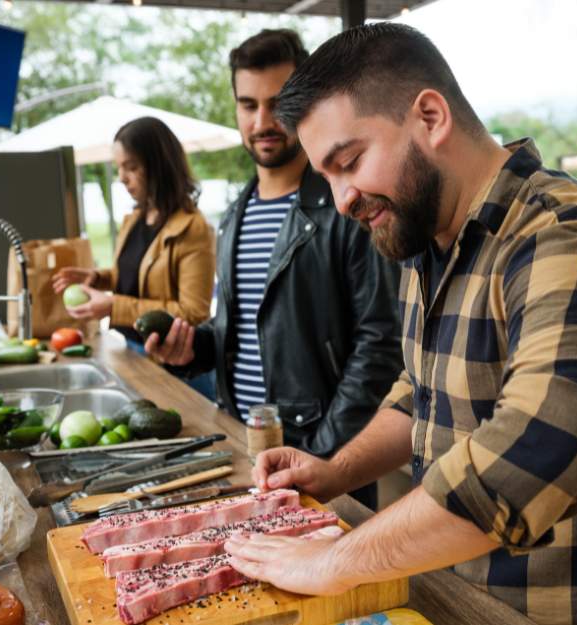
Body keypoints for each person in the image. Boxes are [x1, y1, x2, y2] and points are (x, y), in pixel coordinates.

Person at [221, 24, 577, 625]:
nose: (340, 199)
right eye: (327, 176)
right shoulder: (426, 243)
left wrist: (330, 560)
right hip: (461, 605)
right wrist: (335, 470)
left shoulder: (568, 235)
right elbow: (420, 393)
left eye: (350, 162)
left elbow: (535, 457)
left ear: (431, 117)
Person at [145, 29, 402, 509]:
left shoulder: (347, 206)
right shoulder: (234, 212)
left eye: (278, 101)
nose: (262, 120)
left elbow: (382, 345)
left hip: (324, 457)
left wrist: (322, 455)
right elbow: (244, 329)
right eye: (248, 104)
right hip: (244, 447)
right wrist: (195, 349)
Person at [54, 116, 215, 346]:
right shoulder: (135, 218)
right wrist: (99, 278)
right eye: (119, 167)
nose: (121, 178)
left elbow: (193, 313)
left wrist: (113, 306)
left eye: (132, 167)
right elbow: (138, 276)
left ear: (160, 167)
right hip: (130, 346)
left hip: (170, 363)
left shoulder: (194, 229)